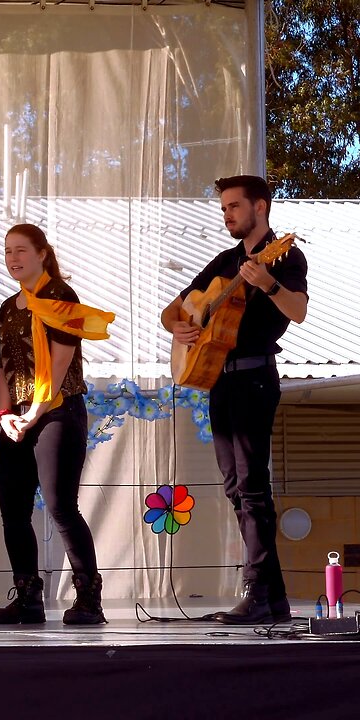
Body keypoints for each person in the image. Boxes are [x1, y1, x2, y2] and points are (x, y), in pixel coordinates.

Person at [160, 175, 307, 625]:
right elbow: (175, 308)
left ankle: (256, 591)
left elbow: (298, 310)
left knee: (252, 487)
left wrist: (267, 283)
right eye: (223, 207)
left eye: (234, 206)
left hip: (255, 378)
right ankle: (273, 597)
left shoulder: (285, 255)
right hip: (219, 381)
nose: (227, 214)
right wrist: (179, 327)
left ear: (260, 208)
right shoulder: (224, 261)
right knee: (234, 487)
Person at [0, 223, 114, 626]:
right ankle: (27, 598)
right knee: (13, 510)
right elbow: (6, 366)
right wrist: (6, 414)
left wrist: (35, 413)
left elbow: (59, 363)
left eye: (21, 251)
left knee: (61, 506)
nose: (13, 259)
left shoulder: (59, 295)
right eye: (8, 251)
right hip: (19, 416)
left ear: (42, 253)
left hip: (57, 409)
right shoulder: (9, 307)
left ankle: (89, 599)